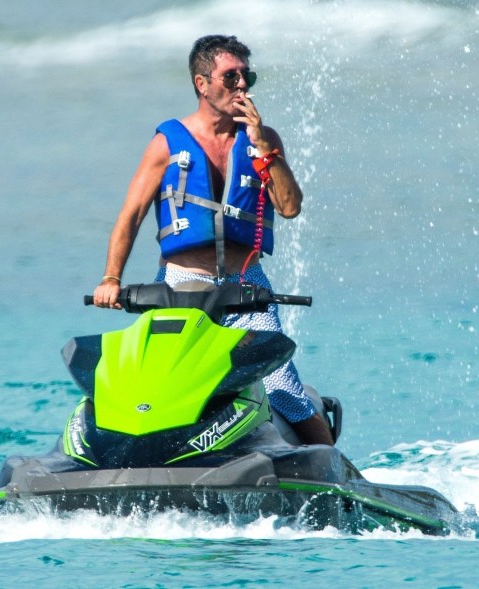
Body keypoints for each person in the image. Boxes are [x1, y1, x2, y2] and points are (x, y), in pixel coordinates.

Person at [93, 35, 334, 446]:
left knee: (283, 388)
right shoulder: (166, 143)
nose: (242, 85)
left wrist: (262, 146)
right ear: (202, 84)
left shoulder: (264, 139)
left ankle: (336, 470)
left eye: (247, 76)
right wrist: (111, 279)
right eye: (231, 76)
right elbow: (130, 215)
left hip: (246, 288)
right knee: (152, 384)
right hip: (178, 287)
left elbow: (290, 206)